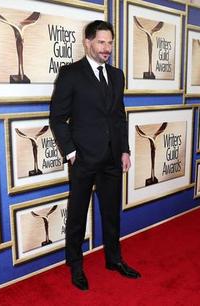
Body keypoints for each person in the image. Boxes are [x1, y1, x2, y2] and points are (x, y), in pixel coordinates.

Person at [50, 20, 141, 291]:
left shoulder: (117, 75)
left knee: (112, 213)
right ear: (87, 42)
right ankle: (75, 265)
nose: (107, 48)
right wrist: (71, 152)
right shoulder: (70, 74)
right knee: (77, 215)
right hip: (83, 159)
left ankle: (114, 259)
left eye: (110, 43)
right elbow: (57, 118)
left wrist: (124, 149)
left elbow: (118, 116)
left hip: (112, 158)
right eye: (101, 42)